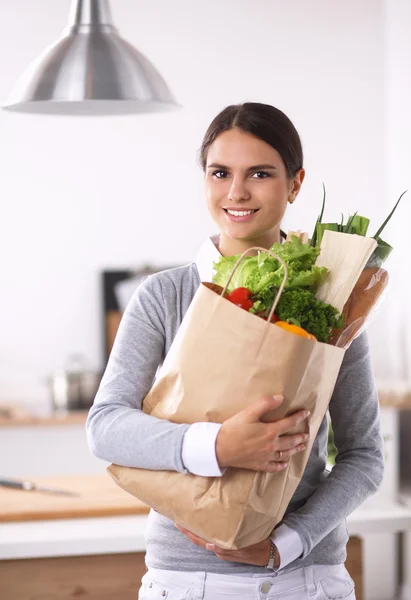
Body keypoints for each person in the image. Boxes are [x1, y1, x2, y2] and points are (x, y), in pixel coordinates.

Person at [86, 102, 384, 600]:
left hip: (305, 580)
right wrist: (217, 446)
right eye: (219, 173)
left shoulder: (334, 301)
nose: (236, 192)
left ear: (295, 183)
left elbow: (365, 457)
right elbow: (105, 427)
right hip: (187, 581)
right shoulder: (166, 295)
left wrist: (286, 543)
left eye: (260, 173)